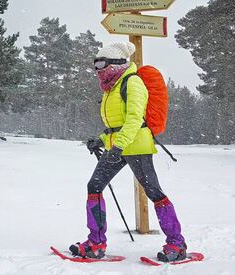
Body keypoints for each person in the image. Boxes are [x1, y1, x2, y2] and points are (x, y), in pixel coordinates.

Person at [69, 42, 186, 262]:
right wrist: (101, 139)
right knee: (94, 186)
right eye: (95, 65)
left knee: (154, 191)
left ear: (116, 63)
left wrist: (119, 145)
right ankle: (96, 243)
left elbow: (134, 119)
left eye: (101, 64)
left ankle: (177, 244)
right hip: (118, 146)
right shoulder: (111, 87)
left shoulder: (133, 83)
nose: (98, 69)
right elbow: (116, 124)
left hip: (136, 145)